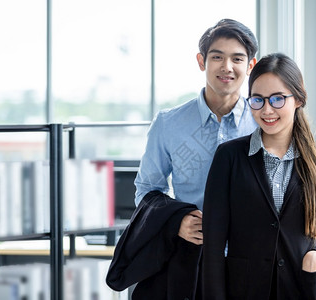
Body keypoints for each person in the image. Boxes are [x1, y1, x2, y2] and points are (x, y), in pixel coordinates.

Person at [106, 19, 258, 299]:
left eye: (237, 58)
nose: (227, 67)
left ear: (250, 65)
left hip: (250, 261)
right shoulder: (168, 123)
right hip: (190, 260)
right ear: (202, 62)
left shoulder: (264, 122)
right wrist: (176, 221)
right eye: (217, 57)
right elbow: (147, 190)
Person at [201, 53, 316, 299]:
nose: (267, 110)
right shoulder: (229, 157)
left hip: (303, 290)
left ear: (299, 99)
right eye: (257, 100)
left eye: (278, 99)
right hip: (244, 292)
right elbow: (213, 246)